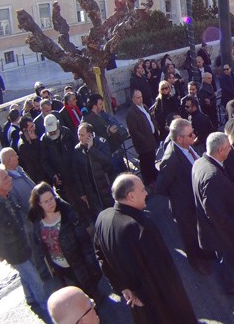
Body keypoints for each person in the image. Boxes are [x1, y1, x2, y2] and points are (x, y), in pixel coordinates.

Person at [94, 174, 197, 324]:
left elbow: (100, 256)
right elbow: (159, 271)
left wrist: (122, 287)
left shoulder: (103, 218)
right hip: (162, 304)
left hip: (137, 305)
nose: (146, 193)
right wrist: (142, 296)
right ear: (131, 196)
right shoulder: (141, 226)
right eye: (142, 190)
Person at [192, 132, 234, 295]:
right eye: (228, 147)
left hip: (218, 226)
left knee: (231, 252)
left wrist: (232, 186)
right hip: (219, 230)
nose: (230, 150)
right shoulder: (212, 176)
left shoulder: (200, 162)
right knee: (224, 258)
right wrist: (233, 228)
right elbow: (215, 211)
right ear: (220, 150)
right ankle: (228, 286)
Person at [0, 166, 49, 312]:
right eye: (6, 177)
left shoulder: (8, 194)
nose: (10, 178)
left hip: (24, 243)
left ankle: (30, 298)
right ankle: (46, 309)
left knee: (27, 275)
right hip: (13, 252)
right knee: (35, 279)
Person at [155, 118, 212, 275]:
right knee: (189, 235)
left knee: (199, 229)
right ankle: (195, 261)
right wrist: (179, 195)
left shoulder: (187, 147)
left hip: (195, 200)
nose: (194, 135)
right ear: (179, 138)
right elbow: (160, 187)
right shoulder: (171, 158)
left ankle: (204, 252)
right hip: (184, 207)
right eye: (190, 134)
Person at [28, 183, 102, 302]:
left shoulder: (67, 212)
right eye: (46, 201)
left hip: (79, 264)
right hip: (61, 269)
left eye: (51, 198)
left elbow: (84, 239)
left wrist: (91, 262)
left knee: (91, 298)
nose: (51, 203)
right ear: (38, 204)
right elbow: (40, 247)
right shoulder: (37, 222)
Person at [70, 123, 115, 222]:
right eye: (78, 134)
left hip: (105, 186)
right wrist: (82, 192)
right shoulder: (77, 150)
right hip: (91, 191)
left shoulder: (101, 142)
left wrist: (92, 149)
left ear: (90, 134)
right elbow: (76, 173)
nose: (79, 138)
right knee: (101, 216)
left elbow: (107, 159)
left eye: (82, 135)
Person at [125, 89, 159, 187]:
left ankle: (154, 177)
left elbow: (150, 119)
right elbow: (134, 131)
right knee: (145, 163)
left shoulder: (144, 106)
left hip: (151, 139)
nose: (140, 99)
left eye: (141, 97)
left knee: (152, 159)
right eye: (138, 98)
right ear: (133, 99)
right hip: (143, 144)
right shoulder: (131, 113)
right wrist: (144, 139)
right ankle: (148, 182)